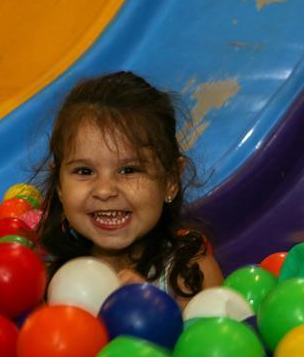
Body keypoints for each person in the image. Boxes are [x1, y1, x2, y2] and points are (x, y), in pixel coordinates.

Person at [36, 71, 223, 308]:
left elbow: (216, 331)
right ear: (60, 185)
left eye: (128, 170)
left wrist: (150, 309)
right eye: (84, 171)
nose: (104, 191)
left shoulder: (189, 272)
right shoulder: (48, 281)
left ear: (170, 180)